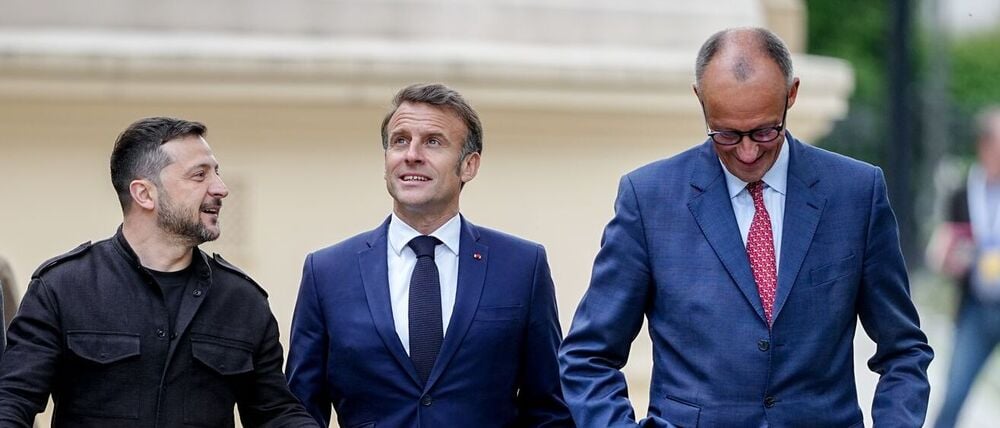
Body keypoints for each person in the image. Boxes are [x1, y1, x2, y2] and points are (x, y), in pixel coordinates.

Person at [558, 27, 933, 427]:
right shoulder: (649, 199)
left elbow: (903, 351)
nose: (748, 152)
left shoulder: (856, 193)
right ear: (700, 100)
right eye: (727, 134)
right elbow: (587, 358)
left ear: (792, 94)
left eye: (764, 131)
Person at [285, 83, 573, 427]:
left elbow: (550, 408)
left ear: (469, 165)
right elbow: (300, 408)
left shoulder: (522, 266)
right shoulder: (327, 272)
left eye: (433, 142)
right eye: (400, 141)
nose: (412, 154)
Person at [0, 117, 318, 427]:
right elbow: (13, 400)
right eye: (199, 175)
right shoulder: (62, 288)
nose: (221, 189)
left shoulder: (243, 300)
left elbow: (276, 412)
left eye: (216, 173)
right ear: (144, 194)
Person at [932, 107, 1000, 428]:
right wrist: (950, 259)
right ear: (984, 146)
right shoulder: (963, 192)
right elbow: (943, 247)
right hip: (975, 307)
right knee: (955, 393)